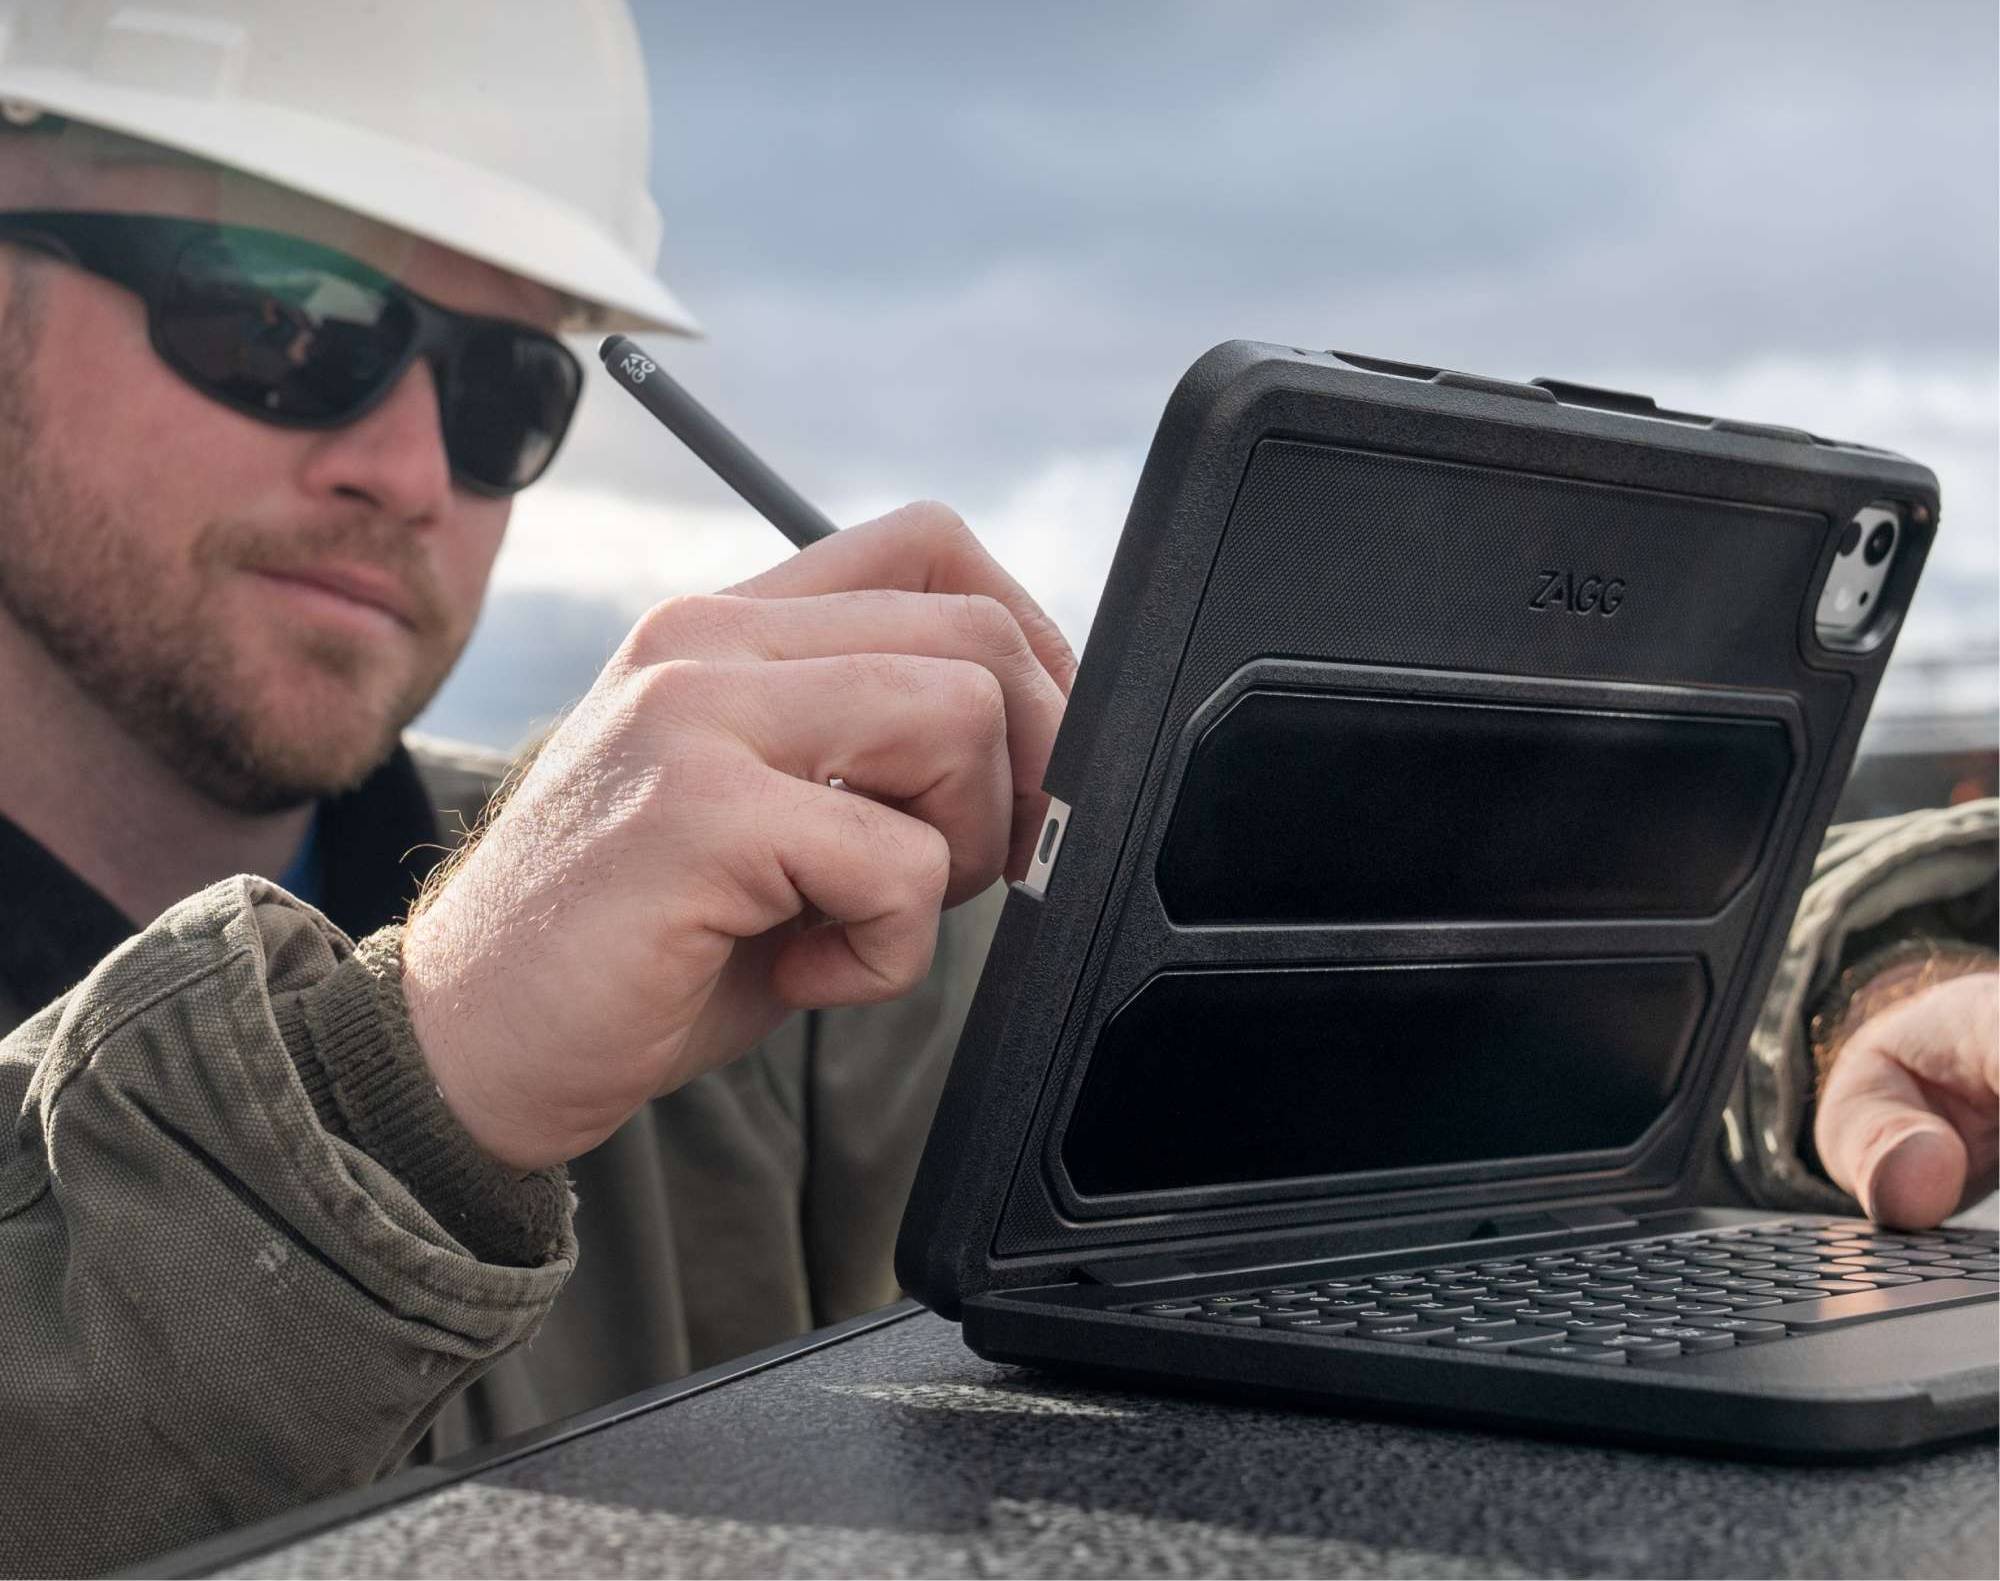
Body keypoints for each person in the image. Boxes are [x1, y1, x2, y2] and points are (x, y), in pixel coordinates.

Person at [0, 4, 1988, 1575]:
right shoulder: (555, 965)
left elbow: (1397, 1039)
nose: (411, 464)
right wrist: (401, 1080)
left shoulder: (735, 974)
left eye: (508, 383)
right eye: (282, 321)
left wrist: (1873, 987)